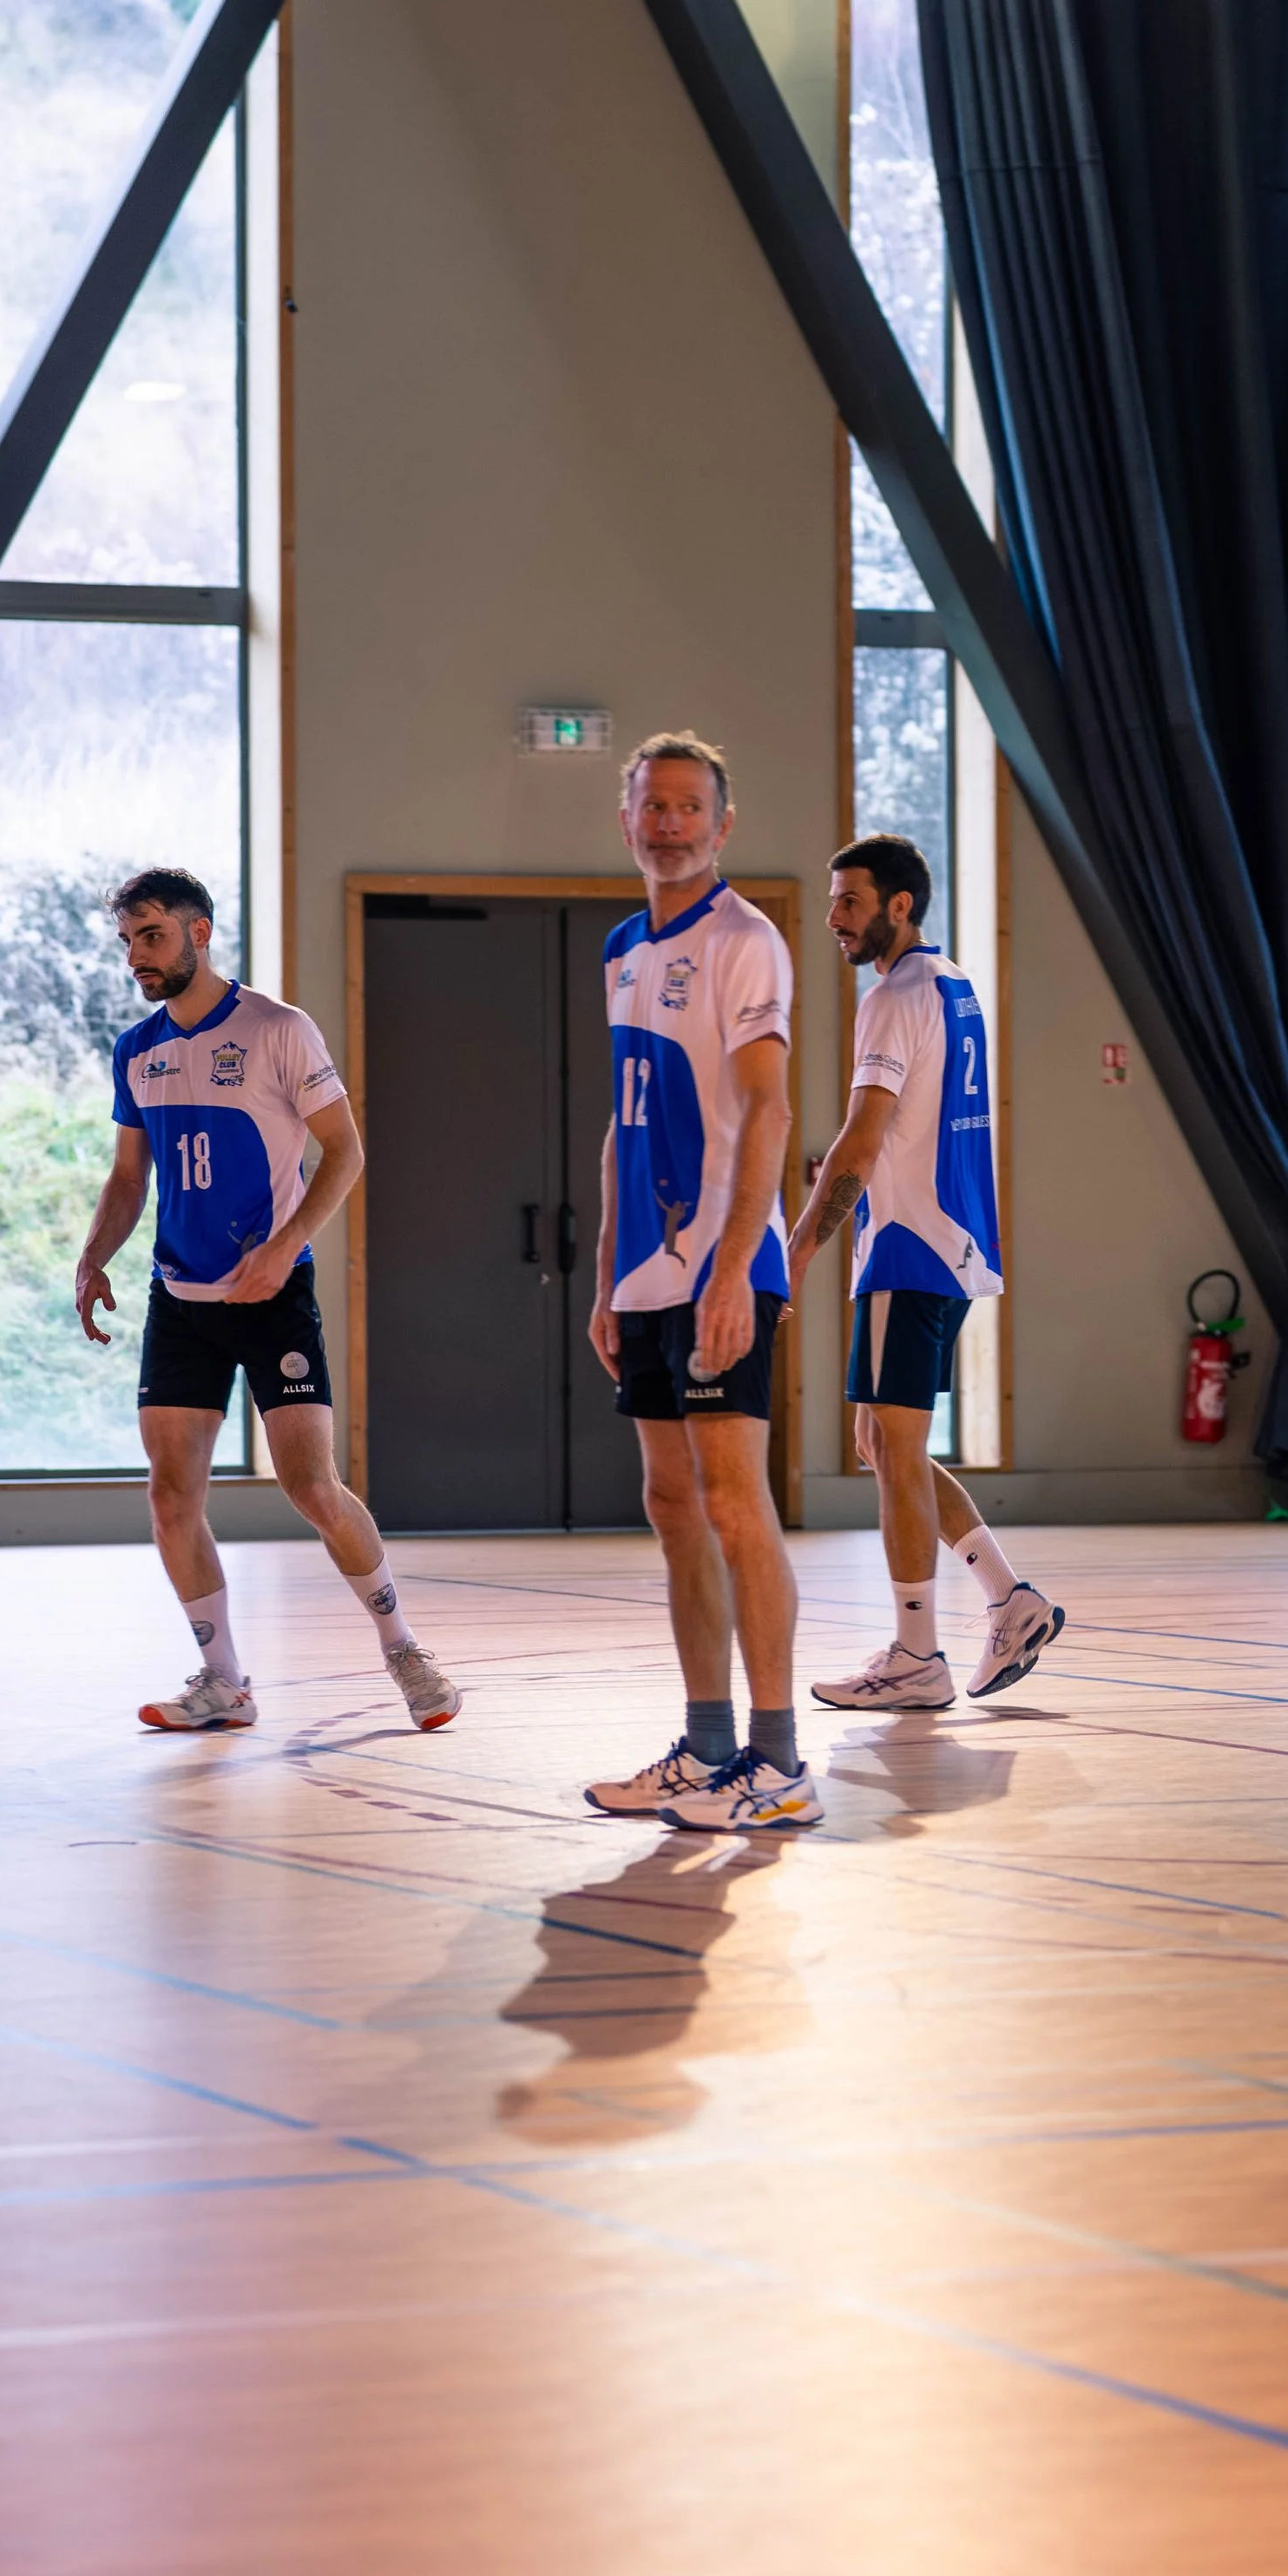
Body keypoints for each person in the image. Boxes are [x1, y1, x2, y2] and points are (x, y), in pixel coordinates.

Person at [74, 868, 461, 1738]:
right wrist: (94, 1257)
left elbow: (344, 1153)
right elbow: (130, 1175)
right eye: (129, 940)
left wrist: (283, 1249)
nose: (137, 955)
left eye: (153, 936)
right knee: (171, 1497)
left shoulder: (278, 1031)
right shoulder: (136, 1049)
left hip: (274, 1295)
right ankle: (224, 1681)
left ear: (199, 932)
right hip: (181, 1297)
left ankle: (403, 1648)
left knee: (311, 1486)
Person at [583, 735, 820, 1834]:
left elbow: (768, 1110)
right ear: (625, 816)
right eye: (652, 804)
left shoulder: (746, 942)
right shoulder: (623, 950)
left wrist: (734, 1266)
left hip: (725, 1266)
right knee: (671, 1504)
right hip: (642, 1277)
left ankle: (779, 1764)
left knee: (733, 1502)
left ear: (722, 827)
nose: (668, 822)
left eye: (689, 807)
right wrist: (603, 1279)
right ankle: (707, 1744)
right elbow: (621, 1128)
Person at [787, 832, 1065, 1709]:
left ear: (897, 906)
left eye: (849, 902)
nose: (833, 918)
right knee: (883, 1445)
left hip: (906, 1250)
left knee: (894, 1453)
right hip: (952, 1247)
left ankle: (917, 1655)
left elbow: (860, 1143)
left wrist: (791, 1254)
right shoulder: (955, 984)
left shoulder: (894, 996)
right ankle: (1010, 1600)